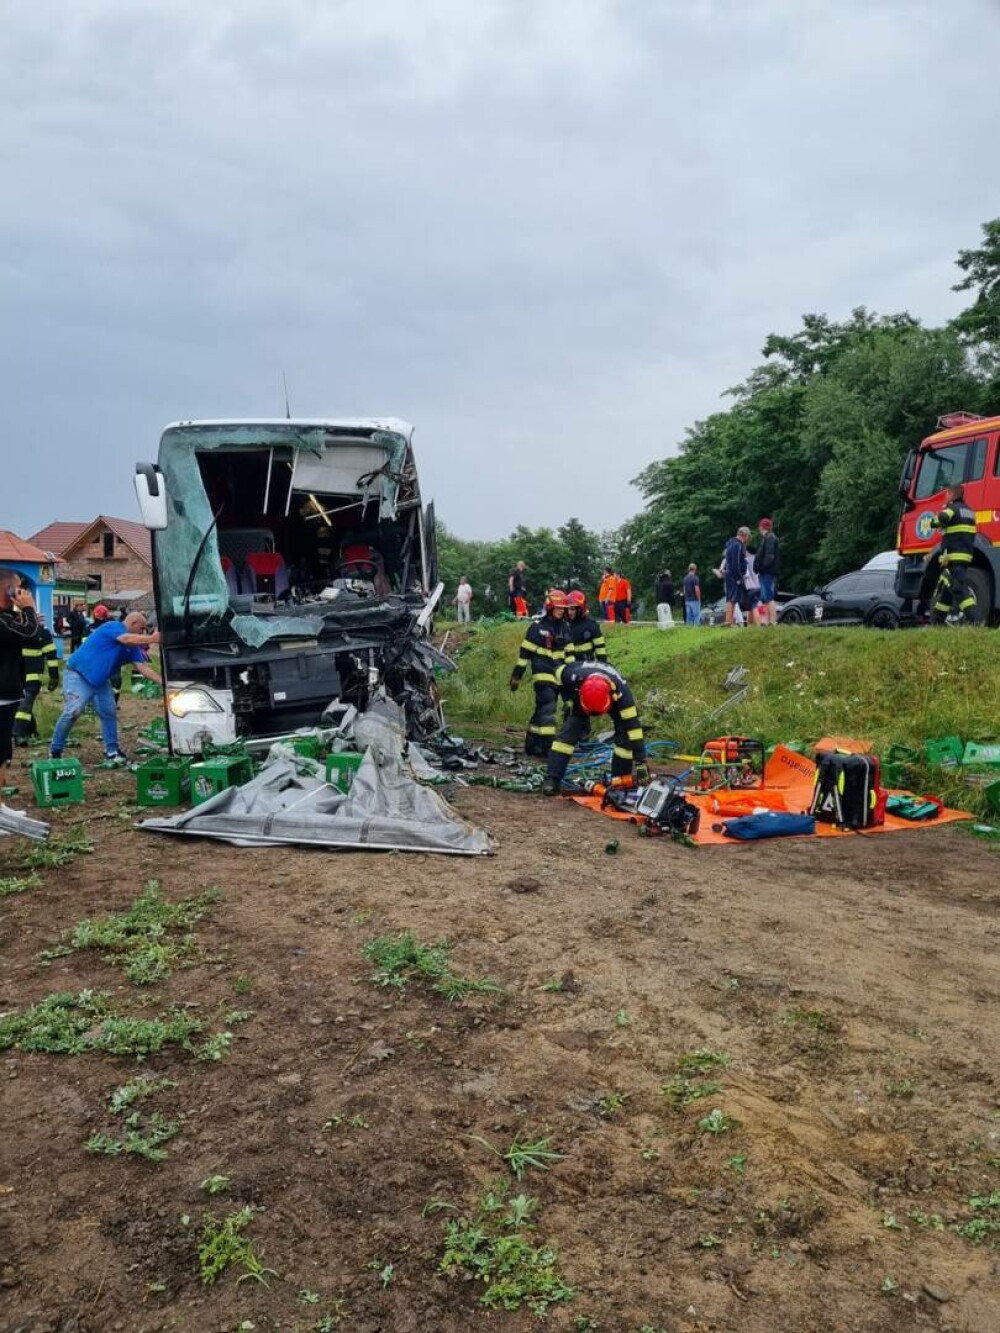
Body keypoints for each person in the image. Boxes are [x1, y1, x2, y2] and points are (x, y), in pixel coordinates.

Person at [49, 612, 163, 763]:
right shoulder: (113, 627)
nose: (142, 633)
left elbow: (142, 667)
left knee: (109, 713)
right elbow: (126, 639)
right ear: (133, 623)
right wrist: (152, 639)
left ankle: (112, 751)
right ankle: (55, 750)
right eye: (141, 629)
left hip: (100, 681)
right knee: (73, 712)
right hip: (78, 675)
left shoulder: (132, 647)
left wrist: (163, 682)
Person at [542, 660, 649, 795]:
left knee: (626, 738)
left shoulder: (623, 695)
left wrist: (641, 761)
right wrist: (568, 700)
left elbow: (634, 729)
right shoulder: (571, 675)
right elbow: (557, 673)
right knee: (568, 733)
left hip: (609, 695)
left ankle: (619, 782)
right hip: (583, 696)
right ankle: (553, 778)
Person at [509, 589, 571, 757]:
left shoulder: (565, 628)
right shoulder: (537, 628)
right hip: (543, 676)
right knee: (549, 709)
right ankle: (547, 747)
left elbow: (570, 655)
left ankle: (532, 745)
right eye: (558, 608)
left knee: (541, 711)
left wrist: (573, 678)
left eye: (563, 609)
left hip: (559, 677)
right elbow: (524, 655)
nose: (561, 611)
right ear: (550, 607)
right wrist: (517, 675)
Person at [0, 584, 39, 796]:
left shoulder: (6, 620)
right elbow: (31, 635)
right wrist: (28, 610)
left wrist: (25, 617)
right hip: (2, 694)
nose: (21, 595)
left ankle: (1, 807)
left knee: (4, 750)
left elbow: (27, 632)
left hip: (7, 693)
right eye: (15, 591)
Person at [928, 483, 979, 624]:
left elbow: (939, 520)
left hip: (953, 557)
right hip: (966, 556)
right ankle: (936, 622)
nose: (946, 497)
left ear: (951, 495)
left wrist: (935, 519)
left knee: (958, 588)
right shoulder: (970, 511)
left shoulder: (951, 508)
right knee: (947, 591)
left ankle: (976, 620)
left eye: (946, 494)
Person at [13, 612, 59, 744]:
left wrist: (54, 677)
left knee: (25, 704)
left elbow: (51, 656)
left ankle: (18, 734)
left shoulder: (43, 634)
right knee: (22, 704)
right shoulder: (16, 632)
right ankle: (32, 730)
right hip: (16, 676)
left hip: (33, 676)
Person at [564, 590, 608, 662]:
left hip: (587, 667)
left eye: (572, 609)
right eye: (568, 609)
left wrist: (602, 666)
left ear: (580, 609)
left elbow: (601, 652)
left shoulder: (591, 626)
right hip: (568, 668)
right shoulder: (564, 626)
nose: (569, 612)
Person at [722, 527, 750, 627]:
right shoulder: (737, 545)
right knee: (732, 598)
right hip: (734, 576)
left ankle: (729, 621)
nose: (747, 540)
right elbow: (736, 562)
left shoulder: (731, 544)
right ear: (745, 535)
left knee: (731, 598)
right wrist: (739, 577)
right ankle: (728, 621)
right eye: (748, 537)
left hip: (730, 574)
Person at [755, 518, 780, 626]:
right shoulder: (769, 537)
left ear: (762, 527)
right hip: (766, 571)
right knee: (765, 598)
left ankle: (773, 620)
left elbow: (769, 556)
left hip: (767, 572)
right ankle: (766, 620)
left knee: (769, 597)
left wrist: (762, 568)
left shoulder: (770, 538)